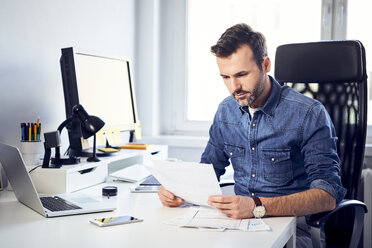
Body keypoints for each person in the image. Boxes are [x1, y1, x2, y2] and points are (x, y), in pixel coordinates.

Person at [157, 23, 346, 246]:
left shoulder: (309, 114)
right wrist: (178, 190)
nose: (234, 87)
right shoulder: (225, 111)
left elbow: (327, 195)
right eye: (225, 77)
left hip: (294, 232)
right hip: (236, 228)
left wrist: (257, 206)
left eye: (241, 74)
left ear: (265, 64)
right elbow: (207, 169)